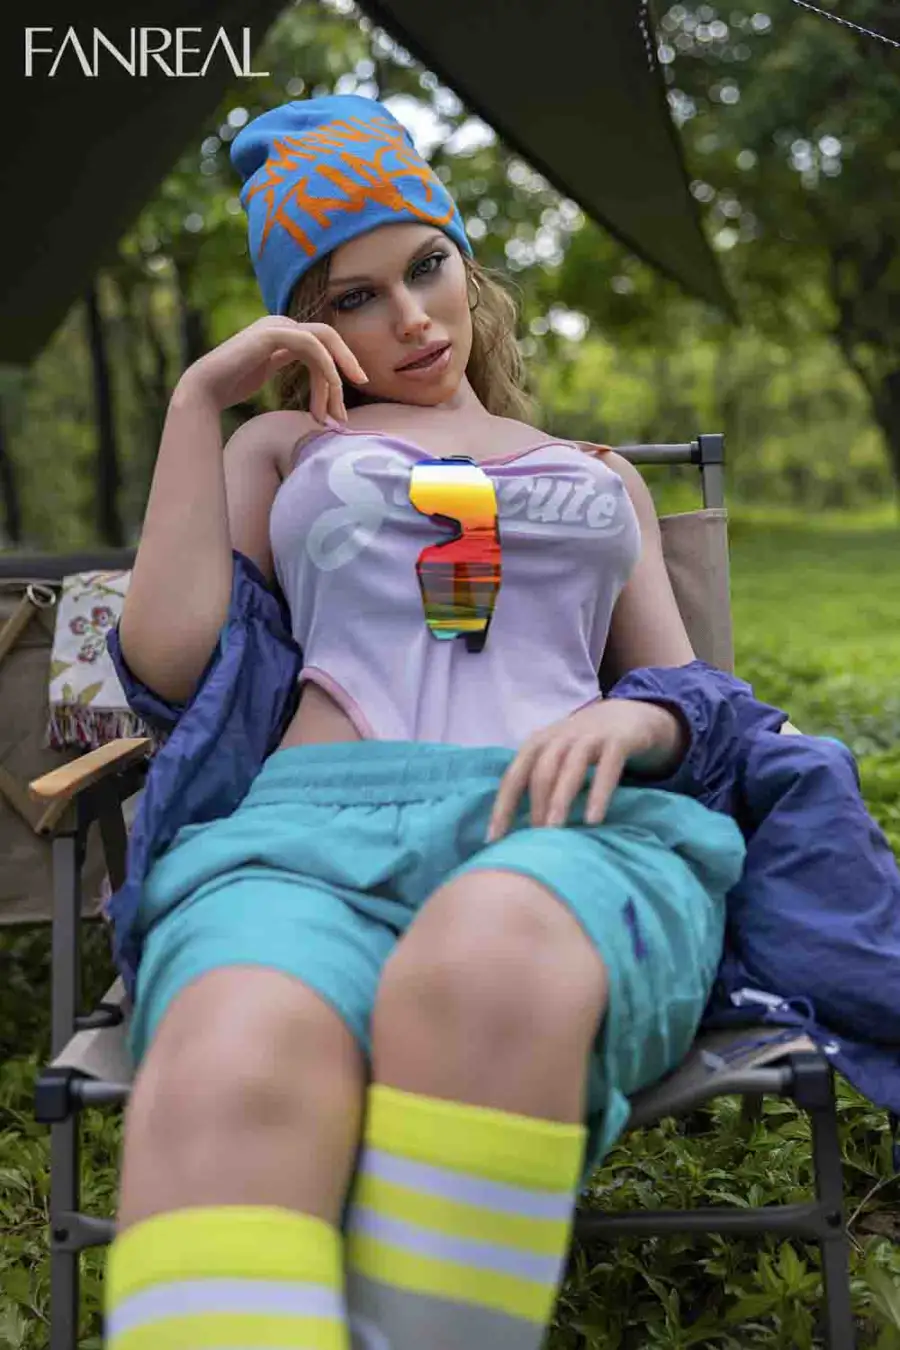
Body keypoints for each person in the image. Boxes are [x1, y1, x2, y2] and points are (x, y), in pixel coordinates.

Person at [102, 95, 747, 1350]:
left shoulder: (600, 474)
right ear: (306, 325)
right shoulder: (281, 447)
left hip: (565, 828)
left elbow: (694, 701)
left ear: (467, 265)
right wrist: (199, 403)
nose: (410, 316)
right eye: (355, 296)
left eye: (428, 265)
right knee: (235, 1047)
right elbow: (166, 661)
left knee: (487, 961)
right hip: (306, 846)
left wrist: (642, 728)